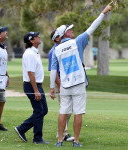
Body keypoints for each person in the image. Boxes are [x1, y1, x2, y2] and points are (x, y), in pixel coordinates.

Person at [50, 2, 112, 147]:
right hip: (78, 83)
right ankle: (76, 141)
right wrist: (103, 12)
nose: (72, 31)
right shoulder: (76, 42)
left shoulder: (56, 50)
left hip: (64, 85)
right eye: (69, 30)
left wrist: (52, 88)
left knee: (62, 112)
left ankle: (59, 140)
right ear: (64, 34)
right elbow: (92, 27)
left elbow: (54, 70)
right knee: (78, 113)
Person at [15, 32, 49, 144]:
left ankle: (22, 128)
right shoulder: (29, 54)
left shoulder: (35, 52)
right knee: (39, 111)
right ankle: (37, 139)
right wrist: (36, 90)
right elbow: (30, 73)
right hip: (32, 86)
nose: (39, 37)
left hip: (37, 85)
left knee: (44, 110)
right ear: (32, 41)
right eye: (36, 36)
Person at [48, 30, 74, 142]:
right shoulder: (53, 51)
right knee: (65, 109)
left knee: (69, 109)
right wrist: (59, 85)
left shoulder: (66, 47)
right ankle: (63, 133)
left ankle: (62, 131)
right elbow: (54, 70)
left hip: (69, 82)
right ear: (57, 38)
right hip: (62, 83)